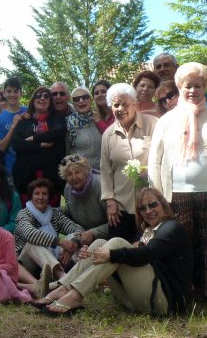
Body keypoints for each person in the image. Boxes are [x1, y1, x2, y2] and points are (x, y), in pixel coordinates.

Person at [148, 62, 207, 307]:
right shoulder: (166, 121)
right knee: (183, 244)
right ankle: (185, 289)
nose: (193, 91)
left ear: (204, 88)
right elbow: (154, 160)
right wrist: (158, 196)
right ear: (180, 88)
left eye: (198, 86)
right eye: (188, 86)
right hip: (176, 194)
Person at [36, 188, 193, 316]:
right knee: (100, 243)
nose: (148, 210)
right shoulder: (148, 231)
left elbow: (146, 255)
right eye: (142, 208)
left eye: (153, 205)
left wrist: (110, 255)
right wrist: (91, 256)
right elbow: (129, 259)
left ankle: (74, 295)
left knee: (116, 244)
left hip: (165, 303)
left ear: (164, 205)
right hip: (136, 300)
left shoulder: (171, 228)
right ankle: (63, 288)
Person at [100, 83, 158, 243]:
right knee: (116, 250)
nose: (119, 108)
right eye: (115, 105)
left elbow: (163, 159)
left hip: (151, 204)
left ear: (134, 104)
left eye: (124, 104)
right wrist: (110, 201)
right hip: (120, 207)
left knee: (147, 251)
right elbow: (105, 170)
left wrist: (149, 171)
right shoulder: (108, 135)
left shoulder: (153, 124)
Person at [15, 178, 83, 283]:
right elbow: (29, 234)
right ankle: (62, 277)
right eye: (37, 194)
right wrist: (60, 242)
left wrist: (74, 243)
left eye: (44, 194)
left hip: (55, 260)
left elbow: (78, 229)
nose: (40, 197)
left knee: (73, 238)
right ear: (31, 196)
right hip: (28, 266)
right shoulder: (24, 214)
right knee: (31, 244)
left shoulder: (54, 214)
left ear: (49, 196)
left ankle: (81, 273)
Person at [11, 86, 67, 206]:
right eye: (38, 96)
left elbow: (57, 133)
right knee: (28, 215)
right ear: (33, 100)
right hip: (26, 176)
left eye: (46, 96)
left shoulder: (57, 119)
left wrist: (34, 138)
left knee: (52, 217)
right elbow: (17, 144)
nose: (42, 98)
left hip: (51, 177)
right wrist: (41, 144)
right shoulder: (24, 121)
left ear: (50, 101)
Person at [59, 154, 108, 246]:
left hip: (105, 239)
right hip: (82, 237)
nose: (74, 178)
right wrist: (51, 211)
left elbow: (117, 223)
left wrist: (94, 232)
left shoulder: (100, 186)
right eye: (69, 174)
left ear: (86, 172)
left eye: (77, 172)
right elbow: (70, 211)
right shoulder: (68, 188)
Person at [0, 77, 27, 173]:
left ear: (21, 93)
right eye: (9, 91)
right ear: (4, 93)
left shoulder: (28, 111)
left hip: (29, 166)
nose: (12, 94)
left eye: (16, 91)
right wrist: (13, 126)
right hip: (10, 169)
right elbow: (2, 148)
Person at [66, 87, 101, 173]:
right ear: (73, 104)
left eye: (85, 97)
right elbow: (66, 152)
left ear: (91, 100)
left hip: (104, 172)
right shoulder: (68, 123)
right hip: (81, 175)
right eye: (76, 99)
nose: (81, 101)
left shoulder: (100, 118)